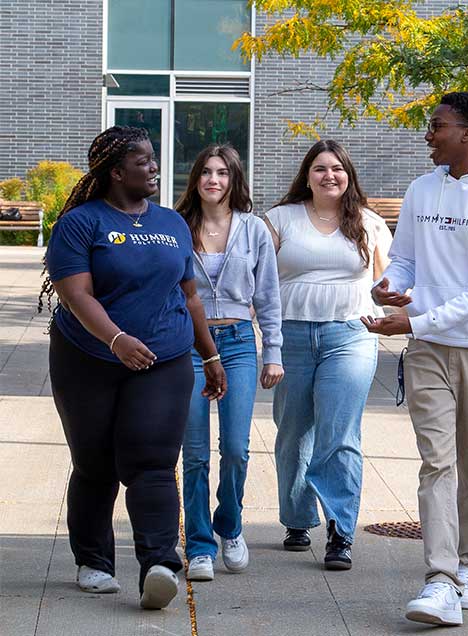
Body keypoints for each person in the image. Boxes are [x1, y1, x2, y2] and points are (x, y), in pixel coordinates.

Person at [40, 126, 226, 610]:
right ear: (116, 171)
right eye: (143, 160)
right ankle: (95, 562)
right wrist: (117, 339)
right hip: (88, 359)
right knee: (96, 464)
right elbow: (75, 293)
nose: (154, 167)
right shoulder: (81, 223)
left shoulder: (172, 223)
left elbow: (189, 296)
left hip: (163, 359)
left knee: (152, 462)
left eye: (154, 159)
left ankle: (160, 563)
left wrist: (209, 355)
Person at [364, 92, 468, 626]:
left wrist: (416, 319)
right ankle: (439, 579)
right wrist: (392, 287)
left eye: (437, 126)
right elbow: (406, 259)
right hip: (429, 349)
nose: (428, 135)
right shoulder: (421, 189)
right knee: (439, 461)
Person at [263, 139, 392, 571]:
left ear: (349, 175)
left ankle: (340, 529)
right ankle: (298, 519)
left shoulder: (368, 223)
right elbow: (258, 280)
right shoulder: (279, 220)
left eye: (337, 168)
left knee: (339, 433)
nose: (329, 175)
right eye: (320, 168)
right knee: (293, 431)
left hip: (350, 336)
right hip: (291, 337)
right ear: (307, 175)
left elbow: (386, 282)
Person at [176, 145, 284, 581]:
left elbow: (269, 297)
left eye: (222, 173)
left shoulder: (254, 229)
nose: (213, 180)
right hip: (191, 347)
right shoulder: (180, 227)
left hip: (239, 342)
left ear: (234, 179)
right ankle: (200, 544)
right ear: (195, 179)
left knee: (236, 449)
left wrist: (272, 351)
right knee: (196, 452)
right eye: (205, 172)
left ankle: (230, 525)